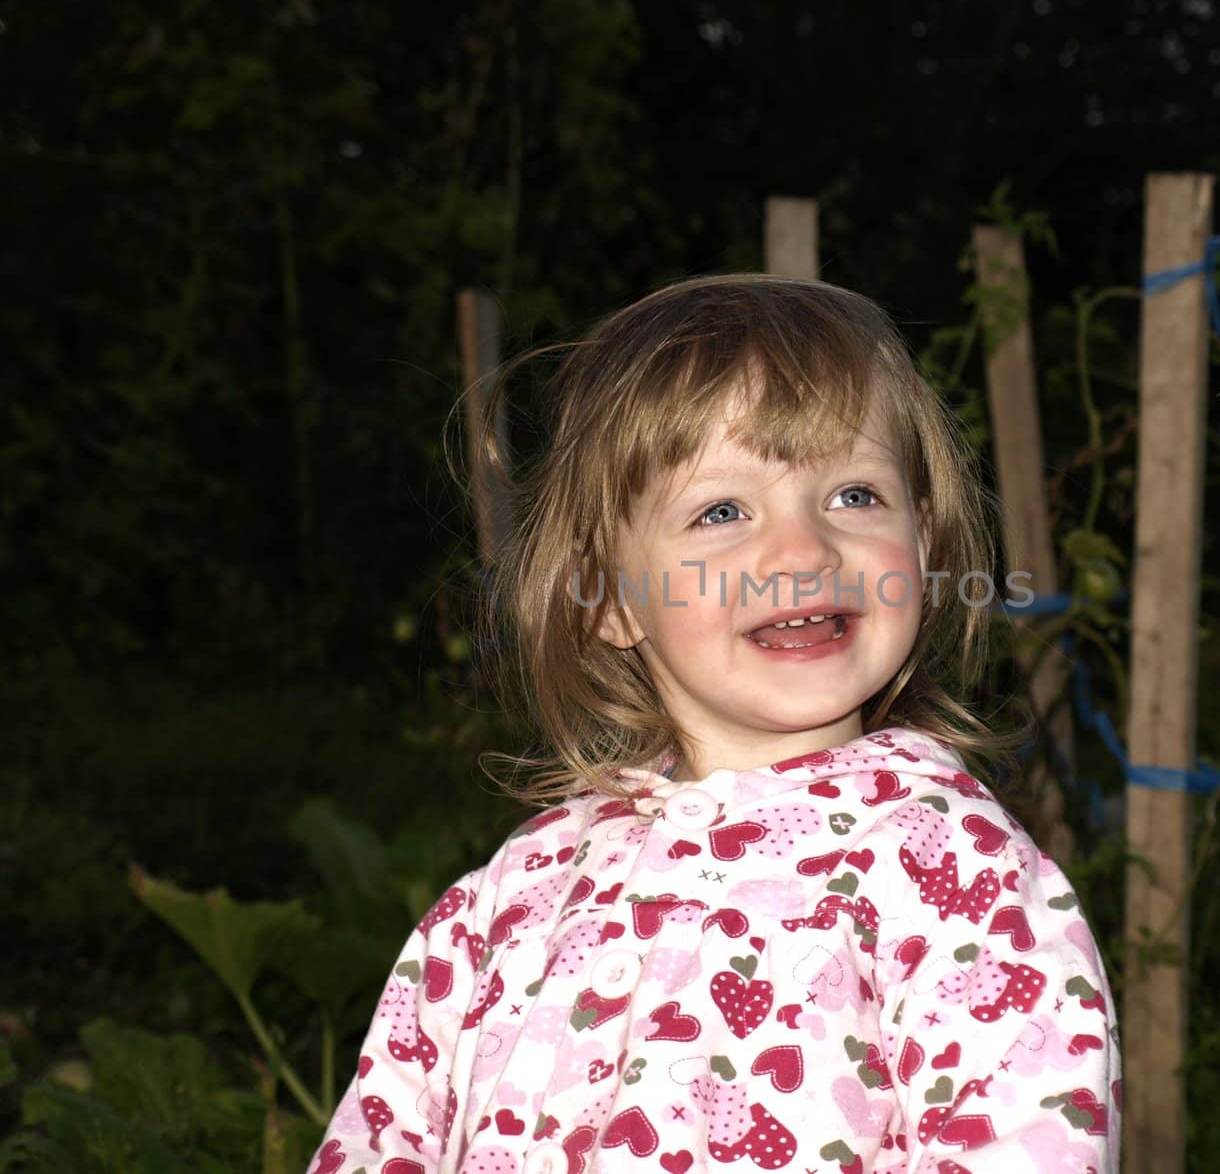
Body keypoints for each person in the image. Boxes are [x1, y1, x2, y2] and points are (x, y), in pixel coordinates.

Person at [309, 275, 1120, 1174]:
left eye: (854, 495)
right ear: (609, 600)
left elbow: (1026, 1146)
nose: (804, 550)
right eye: (722, 511)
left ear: (924, 551)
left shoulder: (950, 867)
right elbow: (380, 1141)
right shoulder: (509, 897)